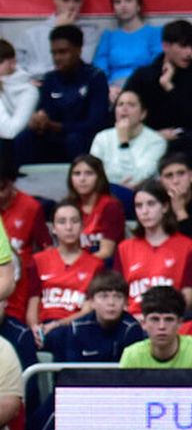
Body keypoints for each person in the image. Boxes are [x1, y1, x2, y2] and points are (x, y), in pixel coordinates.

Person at [125, 20, 192, 166]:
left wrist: (169, 87)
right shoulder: (143, 76)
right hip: (150, 136)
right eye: (183, 46)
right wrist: (154, 135)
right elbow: (125, 112)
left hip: (187, 138)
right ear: (166, 46)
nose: (189, 52)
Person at [116, 179, 192, 313]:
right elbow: (118, 293)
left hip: (169, 320)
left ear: (165, 207)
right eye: (139, 206)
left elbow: (188, 295)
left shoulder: (188, 247)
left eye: (151, 204)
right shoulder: (124, 248)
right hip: (134, 321)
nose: (144, 211)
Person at [32, 200, 101, 346]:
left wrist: (58, 324)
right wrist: (34, 328)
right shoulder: (38, 260)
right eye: (62, 222)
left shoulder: (96, 264)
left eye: (74, 221)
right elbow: (33, 303)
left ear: (82, 226)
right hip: (43, 325)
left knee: (62, 337)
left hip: (75, 326)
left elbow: (88, 309)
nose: (69, 227)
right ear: (53, 228)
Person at [17, 0, 100, 81]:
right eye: (65, 0)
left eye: (77, 0)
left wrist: (64, 31)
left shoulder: (90, 32)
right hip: (34, 86)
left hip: (73, 85)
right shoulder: (31, 34)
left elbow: (81, 64)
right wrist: (27, 80)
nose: (71, 6)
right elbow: (17, 66)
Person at [51, 269, 144, 362]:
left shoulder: (132, 328)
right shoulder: (77, 328)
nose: (111, 303)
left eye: (118, 296)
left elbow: (132, 373)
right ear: (91, 302)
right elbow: (72, 371)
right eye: (104, 296)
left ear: (125, 302)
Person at [119, 285, 192, 368]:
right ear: (143, 323)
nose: (162, 326)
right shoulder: (132, 356)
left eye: (169, 319)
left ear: (180, 323)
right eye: (155, 319)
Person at [88, 88, 166, 188]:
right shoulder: (102, 138)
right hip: (106, 193)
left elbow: (135, 180)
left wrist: (124, 142)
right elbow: (93, 175)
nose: (124, 108)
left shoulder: (156, 142)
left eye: (131, 105)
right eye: (120, 104)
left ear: (143, 114)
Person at [93, 0, 162, 94]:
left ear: (138, 5)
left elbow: (158, 66)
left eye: (128, 0)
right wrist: (108, 88)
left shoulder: (154, 33)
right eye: (118, 2)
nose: (123, 5)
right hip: (114, 91)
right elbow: (99, 69)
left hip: (146, 88)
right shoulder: (108, 36)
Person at [65, 154, 123, 260]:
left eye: (89, 173)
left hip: (103, 269)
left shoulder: (111, 207)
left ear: (99, 177)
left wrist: (77, 265)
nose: (82, 179)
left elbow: (106, 252)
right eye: (77, 174)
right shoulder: (67, 206)